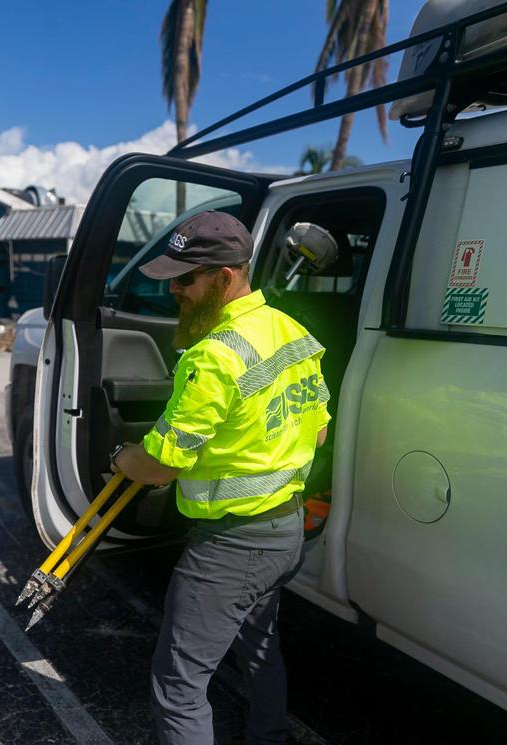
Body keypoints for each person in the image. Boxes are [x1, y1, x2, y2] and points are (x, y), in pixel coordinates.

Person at [110, 210, 329, 745]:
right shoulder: (292, 333)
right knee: (259, 650)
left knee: (179, 682)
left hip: (231, 548)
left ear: (225, 277)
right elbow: (319, 434)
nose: (174, 292)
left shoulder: (213, 357)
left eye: (185, 280)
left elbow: (160, 465)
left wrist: (121, 457)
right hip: (285, 530)